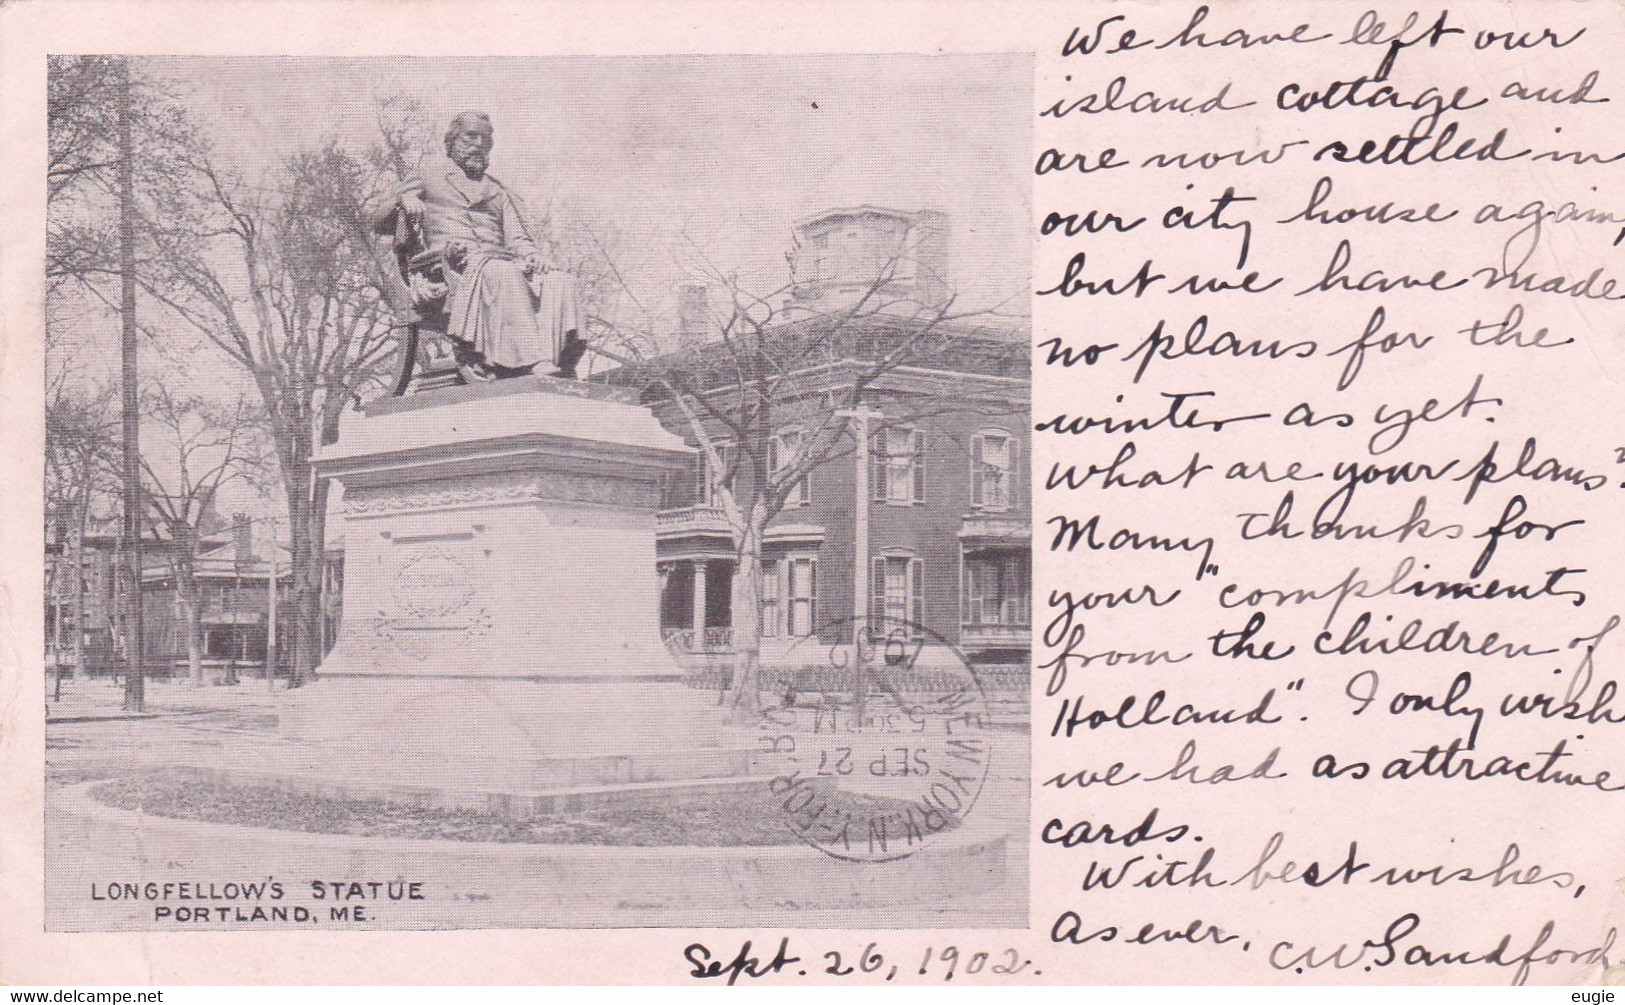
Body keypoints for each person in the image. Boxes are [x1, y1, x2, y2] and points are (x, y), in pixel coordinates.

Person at [366, 111, 587, 379]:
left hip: (496, 263)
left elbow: (518, 240)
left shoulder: (497, 190)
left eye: (485, 139)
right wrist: (401, 201)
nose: (478, 144)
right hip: (447, 267)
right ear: (452, 141)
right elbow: (376, 220)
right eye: (470, 137)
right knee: (501, 272)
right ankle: (530, 360)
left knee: (559, 281)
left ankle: (560, 362)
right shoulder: (428, 176)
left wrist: (535, 258)